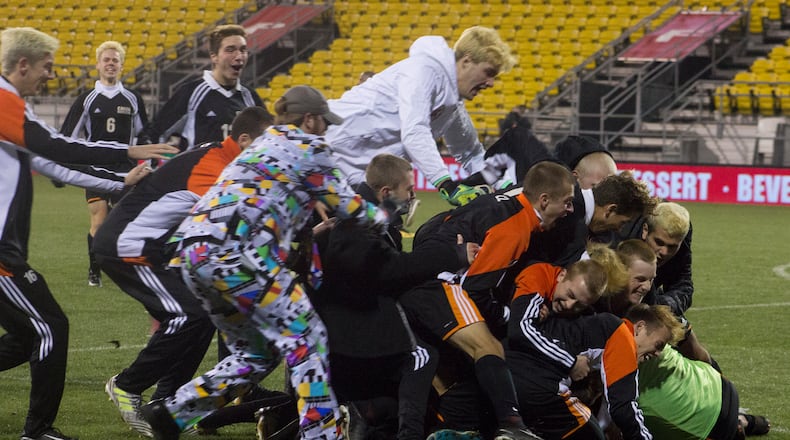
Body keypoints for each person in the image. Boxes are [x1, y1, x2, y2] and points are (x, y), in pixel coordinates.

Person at [138, 119, 389, 440]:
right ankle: (323, 435)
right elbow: (353, 208)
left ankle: (173, 414)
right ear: (311, 120)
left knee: (257, 352)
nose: (326, 131)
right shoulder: (310, 147)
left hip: (195, 254)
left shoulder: (260, 146)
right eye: (324, 123)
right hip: (239, 257)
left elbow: (267, 204)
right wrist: (386, 214)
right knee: (306, 338)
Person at [0, 27, 177, 440]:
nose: (49, 75)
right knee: (50, 328)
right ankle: (37, 431)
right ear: (23, 65)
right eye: (46, 68)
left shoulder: (13, 107)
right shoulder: (4, 101)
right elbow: (58, 146)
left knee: (30, 336)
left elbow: (53, 164)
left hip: (7, 248)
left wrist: (120, 181)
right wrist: (124, 153)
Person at [92, 106, 273, 437]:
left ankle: (166, 401)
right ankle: (127, 385)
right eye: (265, 145)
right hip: (128, 246)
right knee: (186, 315)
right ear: (244, 140)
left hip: (153, 248)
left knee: (203, 312)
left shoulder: (220, 157)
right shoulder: (215, 167)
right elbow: (233, 220)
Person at [399, 161, 577, 440]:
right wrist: (508, 315)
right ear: (543, 200)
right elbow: (476, 291)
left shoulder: (509, 201)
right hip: (437, 283)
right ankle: (512, 426)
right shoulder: (515, 228)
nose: (570, 210)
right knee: (489, 347)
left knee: (434, 370)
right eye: (567, 202)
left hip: (420, 278)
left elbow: (433, 227)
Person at [326, 26, 516, 205]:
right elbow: (415, 130)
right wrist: (446, 184)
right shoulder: (423, 70)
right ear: (466, 61)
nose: (491, 83)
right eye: (488, 72)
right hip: (326, 147)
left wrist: (508, 186)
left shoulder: (452, 103)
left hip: (353, 171)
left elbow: (471, 153)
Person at [506, 303, 684, 440]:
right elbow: (624, 407)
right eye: (659, 344)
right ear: (639, 328)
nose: (658, 354)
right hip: (537, 382)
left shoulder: (598, 325)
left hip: (507, 372)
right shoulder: (622, 336)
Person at [60, 40, 150, 288]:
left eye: (115, 60)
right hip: (96, 170)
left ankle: (126, 272)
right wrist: (64, 165)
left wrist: (148, 162)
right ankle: (94, 270)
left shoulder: (132, 99)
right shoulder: (87, 99)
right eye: (106, 60)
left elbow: (144, 135)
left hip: (126, 170)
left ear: (121, 66)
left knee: (125, 224)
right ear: (98, 65)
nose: (111, 64)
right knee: (99, 220)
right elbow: (69, 135)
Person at [145, 24, 263, 151]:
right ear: (214, 56)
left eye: (243, 50)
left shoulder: (250, 97)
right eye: (230, 50)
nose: (239, 56)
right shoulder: (190, 93)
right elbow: (156, 133)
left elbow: (265, 139)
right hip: (201, 169)